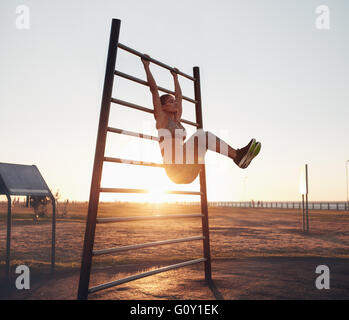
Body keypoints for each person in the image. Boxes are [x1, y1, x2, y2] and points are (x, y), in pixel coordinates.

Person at [141, 55, 261, 184]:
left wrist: (175, 77)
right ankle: (238, 156)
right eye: (171, 102)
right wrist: (146, 66)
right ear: (163, 106)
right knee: (202, 136)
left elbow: (179, 97)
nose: (175, 103)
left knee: (203, 137)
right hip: (176, 171)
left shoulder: (177, 119)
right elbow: (154, 90)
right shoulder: (162, 120)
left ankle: (239, 156)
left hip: (188, 169)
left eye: (174, 101)